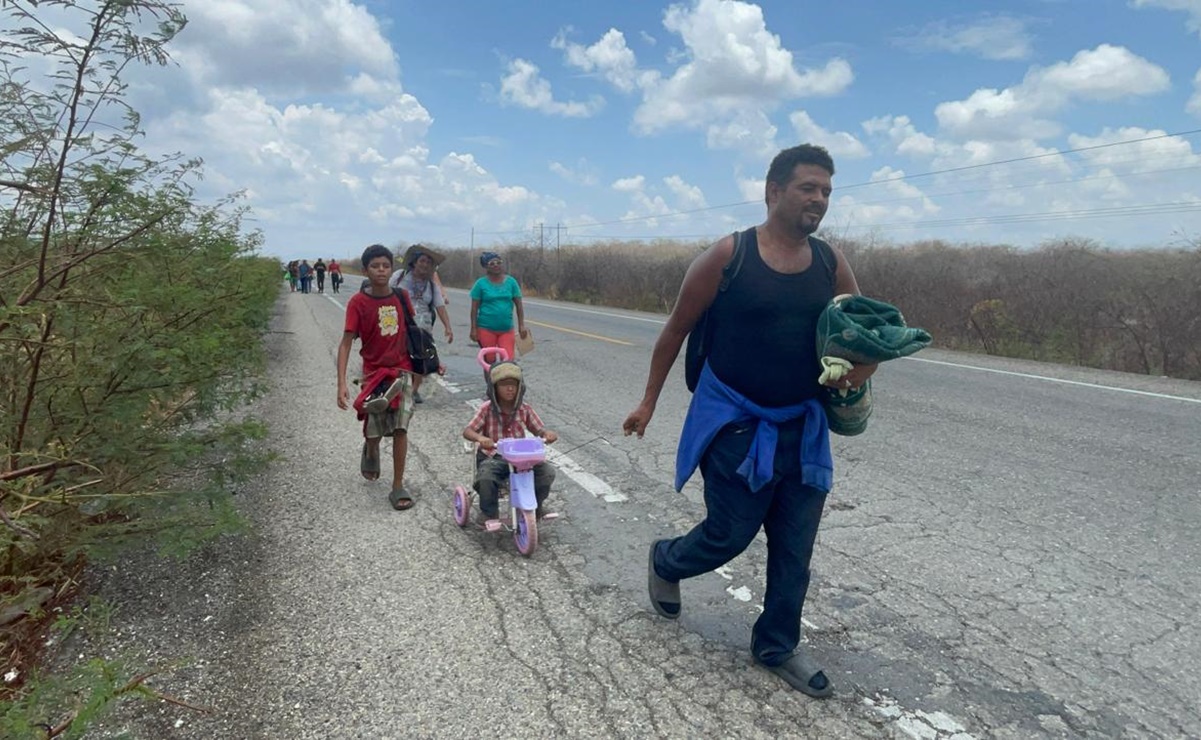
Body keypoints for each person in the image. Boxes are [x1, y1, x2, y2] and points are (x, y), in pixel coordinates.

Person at [621, 144, 877, 699]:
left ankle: (776, 645)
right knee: (729, 535)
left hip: (802, 427)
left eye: (827, 191)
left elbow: (863, 332)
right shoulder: (728, 256)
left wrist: (859, 370)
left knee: (794, 548)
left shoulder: (832, 263)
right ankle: (668, 558)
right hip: (735, 423)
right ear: (774, 191)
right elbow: (674, 332)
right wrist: (648, 402)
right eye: (809, 187)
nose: (819, 200)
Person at [336, 244, 418, 511]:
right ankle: (371, 450)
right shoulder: (358, 303)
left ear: (391, 269)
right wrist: (341, 384)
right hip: (373, 375)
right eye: (375, 266)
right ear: (365, 270)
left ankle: (397, 485)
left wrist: (426, 366)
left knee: (400, 428)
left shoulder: (402, 297)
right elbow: (346, 342)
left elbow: (413, 333)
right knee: (374, 432)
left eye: (385, 266)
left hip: (402, 372)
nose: (381, 271)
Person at [461, 360, 557, 524]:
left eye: (514, 385)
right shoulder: (486, 408)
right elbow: (468, 431)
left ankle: (536, 506)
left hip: (520, 458)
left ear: (520, 387)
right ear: (494, 388)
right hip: (494, 456)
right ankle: (489, 513)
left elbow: (538, 429)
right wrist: (481, 438)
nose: (510, 389)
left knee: (546, 472)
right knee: (485, 477)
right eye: (504, 385)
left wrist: (546, 434)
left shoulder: (524, 409)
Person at [389, 244, 453, 404]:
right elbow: (386, 293)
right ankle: (395, 388)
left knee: (420, 359)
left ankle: (414, 390)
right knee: (399, 357)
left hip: (422, 328)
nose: (425, 265)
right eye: (422, 261)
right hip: (399, 324)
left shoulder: (431, 285)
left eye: (429, 263)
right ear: (414, 262)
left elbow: (439, 306)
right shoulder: (399, 276)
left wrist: (448, 327)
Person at [469, 251, 527, 360]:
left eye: (498, 262)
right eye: (492, 263)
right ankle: (490, 377)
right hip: (486, 329)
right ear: (486, 266)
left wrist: (521, 326)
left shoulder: (511, 282)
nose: (496, 265)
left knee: (508, 360)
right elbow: (474, 309)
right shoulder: (480, 284)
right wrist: (473, 329)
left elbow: (519, 305)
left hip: (506, 329)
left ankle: (505, 377)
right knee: (489, 361)